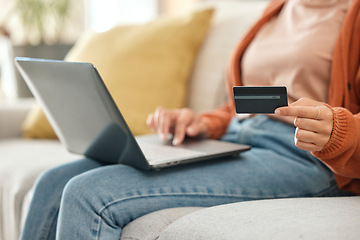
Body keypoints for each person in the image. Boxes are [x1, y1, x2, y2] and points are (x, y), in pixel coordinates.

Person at [20, 0, 360, 239]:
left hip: (302, 156)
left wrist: (340, 132)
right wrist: (201, 122)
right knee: (52, 182)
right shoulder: (278, 8)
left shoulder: (351, 13)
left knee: (89, 194)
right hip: (240, 138)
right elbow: (244, 103)